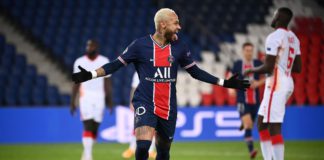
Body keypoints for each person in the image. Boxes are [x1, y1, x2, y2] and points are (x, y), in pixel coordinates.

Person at [72, 8, 250, 160]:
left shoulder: (179, 47)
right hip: (145, 102)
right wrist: (91, 74)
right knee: (142, 146)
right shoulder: (140, 45)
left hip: (168, 107)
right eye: (175, 23)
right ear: (163, 24)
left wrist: (225, 82)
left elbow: (195, 71)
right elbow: (115, 65)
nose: (179, 27)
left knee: (163, 153)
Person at [244, 7, 302, 160]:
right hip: (287, 81)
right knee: (261, 123)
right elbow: (298, 67)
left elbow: (268, 67)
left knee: (274, 125)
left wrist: (251, 70)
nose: (273, 17)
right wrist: (281, 62)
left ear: (279, 18)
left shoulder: (274, 36)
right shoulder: (293, 38)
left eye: (275, 15)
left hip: (277, 83)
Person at [70, 39, 112, 160]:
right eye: (88, 45)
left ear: (96, 47)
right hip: (85, 96)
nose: (89, 47)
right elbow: (76, 82)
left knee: (95, 127)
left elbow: (107, 82)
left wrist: (109, 100)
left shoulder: (104, 61)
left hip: (100, 96)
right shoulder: (79, 61)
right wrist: (73, 101)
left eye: (92, 45)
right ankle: (88, 156)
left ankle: (87, 151)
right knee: (87, 125)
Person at [229, 42, 265, 159]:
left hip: (255, 100)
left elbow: (267, 76)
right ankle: (251, 151)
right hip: (241, 99)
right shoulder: (238, 64)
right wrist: (231, 88)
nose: (249, 52)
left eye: (251, 50)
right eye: (247, 50)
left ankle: (243, 123)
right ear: (243, 51)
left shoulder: (258, 63)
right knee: (249, 124)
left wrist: (258, 83)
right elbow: (231, 77)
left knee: (249, 124)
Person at [122, 72, 157, 159]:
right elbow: (134, 87)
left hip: (154, 101)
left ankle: (151, 150)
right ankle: (132, 148)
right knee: (137, 125)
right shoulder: (138, 72)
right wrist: (131, 101)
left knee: (154, 127)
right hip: (141, 102)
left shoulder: (157, 69)